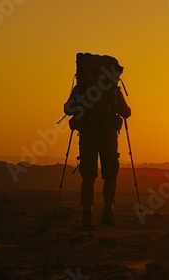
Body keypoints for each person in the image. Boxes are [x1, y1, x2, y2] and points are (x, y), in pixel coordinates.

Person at [63, 53, 131, 227]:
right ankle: (108, 212)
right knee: (110, 175)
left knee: (88, 175)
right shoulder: (113, 90)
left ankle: (87, 214)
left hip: (88, 135)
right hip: (108, 136)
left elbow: (67, 109)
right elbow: (127, 112)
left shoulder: (82, 89)